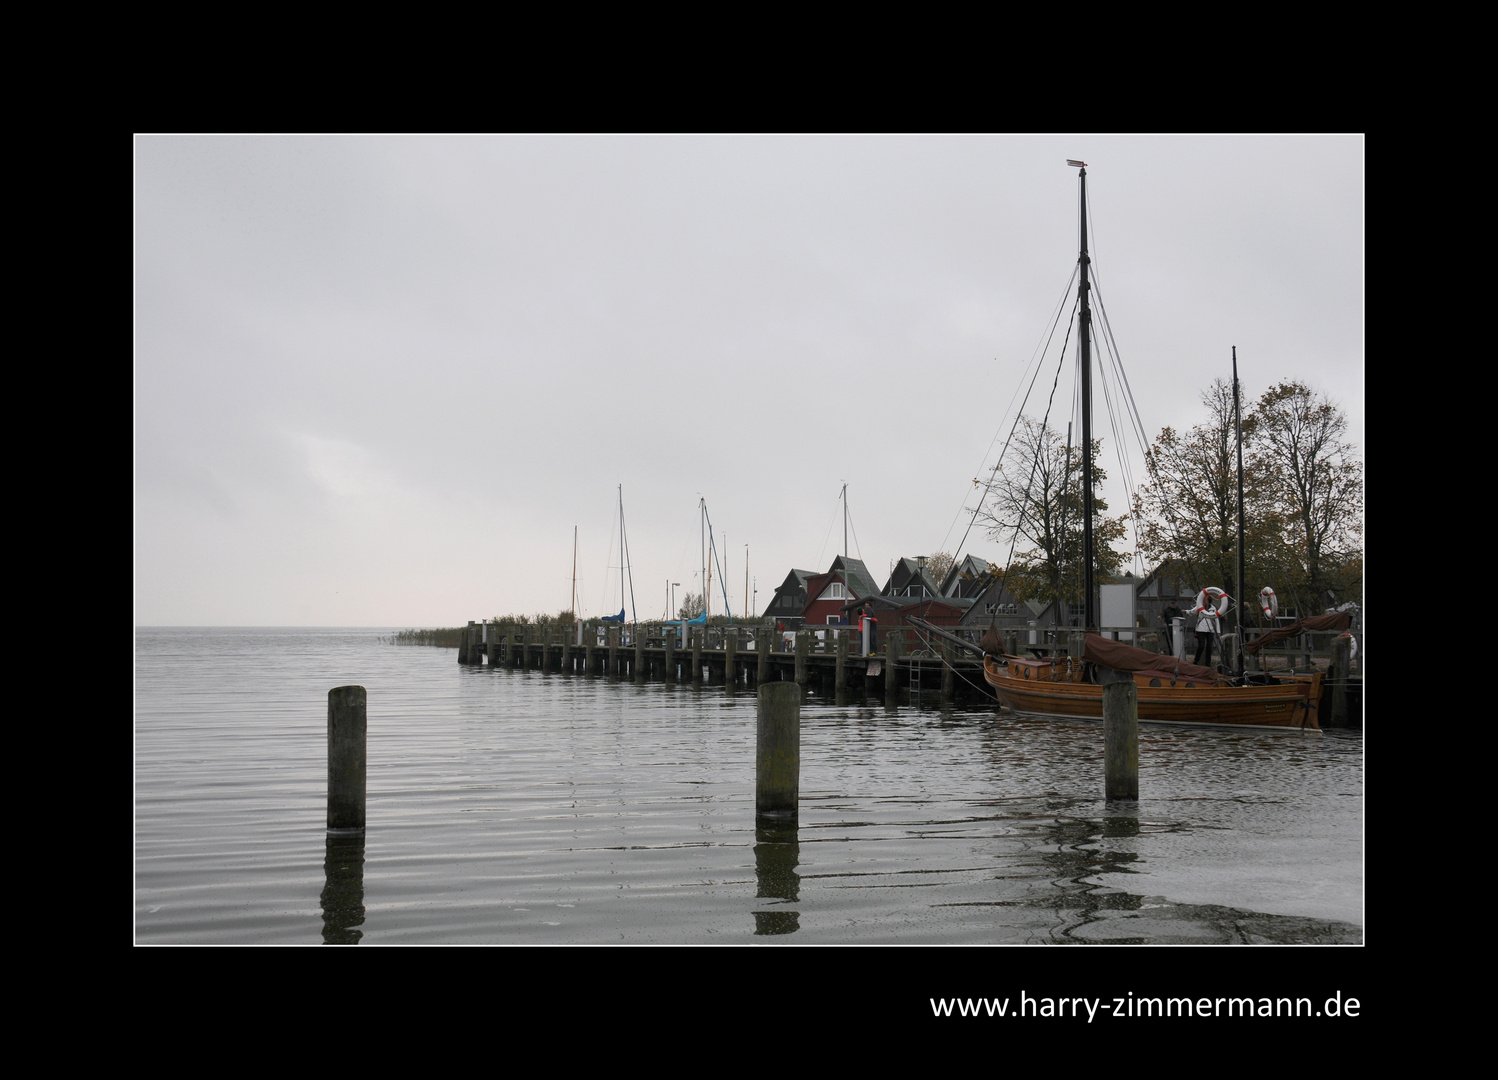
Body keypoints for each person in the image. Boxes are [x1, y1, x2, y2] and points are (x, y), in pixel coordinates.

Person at [1190, 588, 1230, 667]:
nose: (1204, 601)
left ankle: (1207, 664)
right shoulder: (1200, 606)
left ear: (1208, 601)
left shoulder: (1213, 608)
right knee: (1201, 645)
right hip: (1200, 629)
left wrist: (1218, 631)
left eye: (1205, 600)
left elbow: (1216, 620)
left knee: (1209, 647)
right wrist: (1186, 612)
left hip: (1210, 630)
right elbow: (1192, 611)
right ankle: (1196, 661)